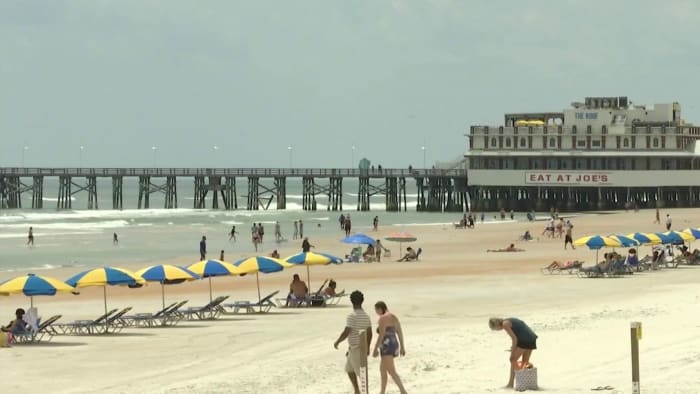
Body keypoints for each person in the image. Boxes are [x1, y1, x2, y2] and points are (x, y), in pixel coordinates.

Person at [334, 291, 372, 394]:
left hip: (357, 349)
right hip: (354, 349)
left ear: (351, 301)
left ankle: (364, 392)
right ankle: (356, 390)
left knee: (362, 375)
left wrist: (337, 342)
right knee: (349, 370)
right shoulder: (366, 316)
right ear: (362, 301)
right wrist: (368, 347)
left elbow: (346, 332)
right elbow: (370, 333)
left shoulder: (352, 316)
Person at [489, 317, 538, 389]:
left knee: (512, 360)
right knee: (525, 362)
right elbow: (520, 330)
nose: (497, 330)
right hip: (531, 338)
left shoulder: (505, 324)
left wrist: (512, 352)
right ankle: (525, 383)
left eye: (495, 329)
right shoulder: (509, 320)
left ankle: (510, 384)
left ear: (496, 325)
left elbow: (514, 339)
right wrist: (513, 348)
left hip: (525, 340)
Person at [373, 301, 408, 394]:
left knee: (391, 371)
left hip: (386, 345)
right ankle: (382, 392)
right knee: (382, 369)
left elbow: (381, 335)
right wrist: (402, 347)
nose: (376, 312)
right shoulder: (393, 317)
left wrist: (375, 349)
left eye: (376, 310)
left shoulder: (382, 318)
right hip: (394, 344)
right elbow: (399, 332)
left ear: (380, 309)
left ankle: (403, 391)